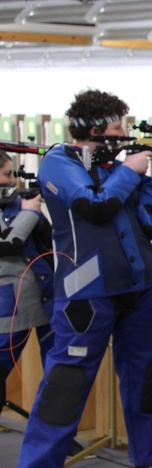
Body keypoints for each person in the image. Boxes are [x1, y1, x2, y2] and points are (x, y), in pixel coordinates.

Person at [13, 89, 152, 468]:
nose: (126, 135)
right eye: (118, 129)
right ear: (95, 131)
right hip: (86, 293)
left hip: (140, 286)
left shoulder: (120, 167)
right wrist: (132, 169)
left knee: (146, 377)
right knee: (67, 382)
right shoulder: (59, 162)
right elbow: (93, 206)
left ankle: (147, 461)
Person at [0, 151, 55, 409]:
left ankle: (57, 436)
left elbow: (46, 243)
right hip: (9, 305)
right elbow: (8, 244)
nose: (12, 181)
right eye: (7, 174)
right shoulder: (22, 209)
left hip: (45, 296)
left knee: (56, 375)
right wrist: (30, 212)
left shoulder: (13, 203)